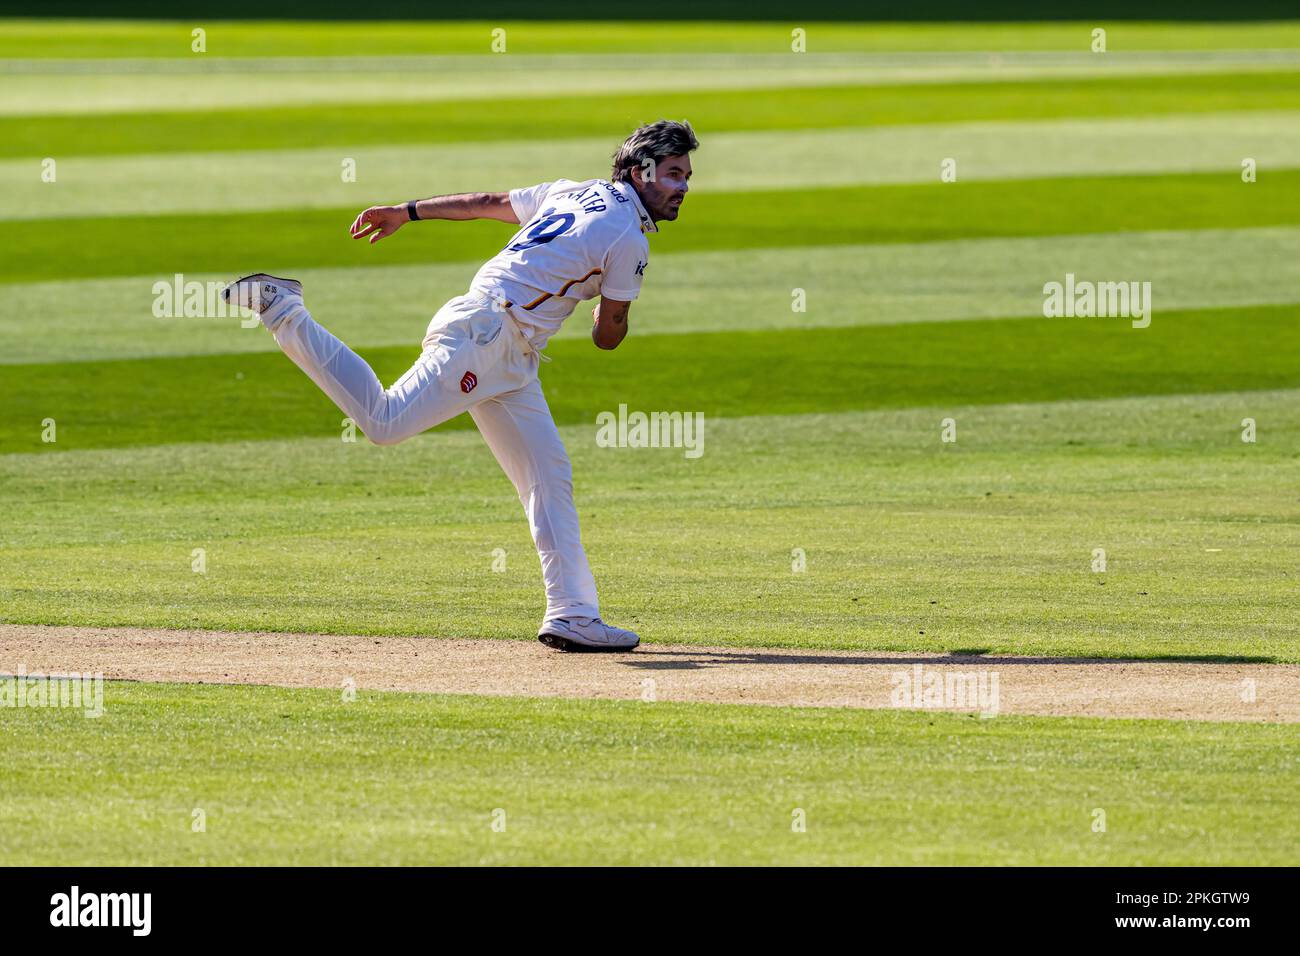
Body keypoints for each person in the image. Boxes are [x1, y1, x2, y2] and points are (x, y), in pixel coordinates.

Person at [221, 120, 698, 652]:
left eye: (687, 176)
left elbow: (487, 201)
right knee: (384, 422)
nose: (683, 188)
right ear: (640, 171)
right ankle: (283, 309)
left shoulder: (572, 191)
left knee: (548, 475)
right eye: (674, 174)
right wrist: (603, 306)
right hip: (488, 338)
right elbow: (608, 337)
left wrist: (406, 212)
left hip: (507, 351)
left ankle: (573, 613)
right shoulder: (629, 238)